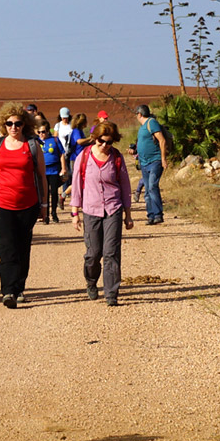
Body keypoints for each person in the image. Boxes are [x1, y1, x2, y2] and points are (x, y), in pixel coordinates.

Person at [0, 103, 45, 308]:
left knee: (22, 248)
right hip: (0, 204)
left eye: (17, 123)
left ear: (25, 124)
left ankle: (19, 287)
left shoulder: (32, 145)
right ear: (4, 124)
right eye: (9, 123)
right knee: (7, 249)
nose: (13, 127)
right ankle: (8, 291)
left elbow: (41, 177)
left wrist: (44, 205)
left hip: (27, 205)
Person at [70, 119, 133, 305]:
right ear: (94, 138)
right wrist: (75, 213)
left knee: (111, 252)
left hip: (113, 208)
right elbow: (76, 185)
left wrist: (128, 215)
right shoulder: (84, 157)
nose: (105, 145)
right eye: (101, 141)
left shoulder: (117, 157)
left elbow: (125, 187)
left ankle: (111, 293)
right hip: (91, 209)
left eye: (109, 142)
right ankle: (91, 282)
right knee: (93, 254)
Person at [135, 103, 169, 225]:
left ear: (139, 114)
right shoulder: (143, 127)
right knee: (148, 191)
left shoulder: (151, 123)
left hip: (155, 160)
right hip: (144, 163)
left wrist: (163, 159)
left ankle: (158, 214)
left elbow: (162, 140)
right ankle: (151, 215)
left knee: (152, 186)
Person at [36, 116, 68, 224]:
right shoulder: (36, 141)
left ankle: (54, 212)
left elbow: (61, 154)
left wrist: (63, 168)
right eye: (39, 132)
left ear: (48, 130)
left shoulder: (54, 140)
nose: (41, 134)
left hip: (54, 170)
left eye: (43, 132)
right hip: (41, 171)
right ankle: (45, 215)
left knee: (54, 192)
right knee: (44, 194)